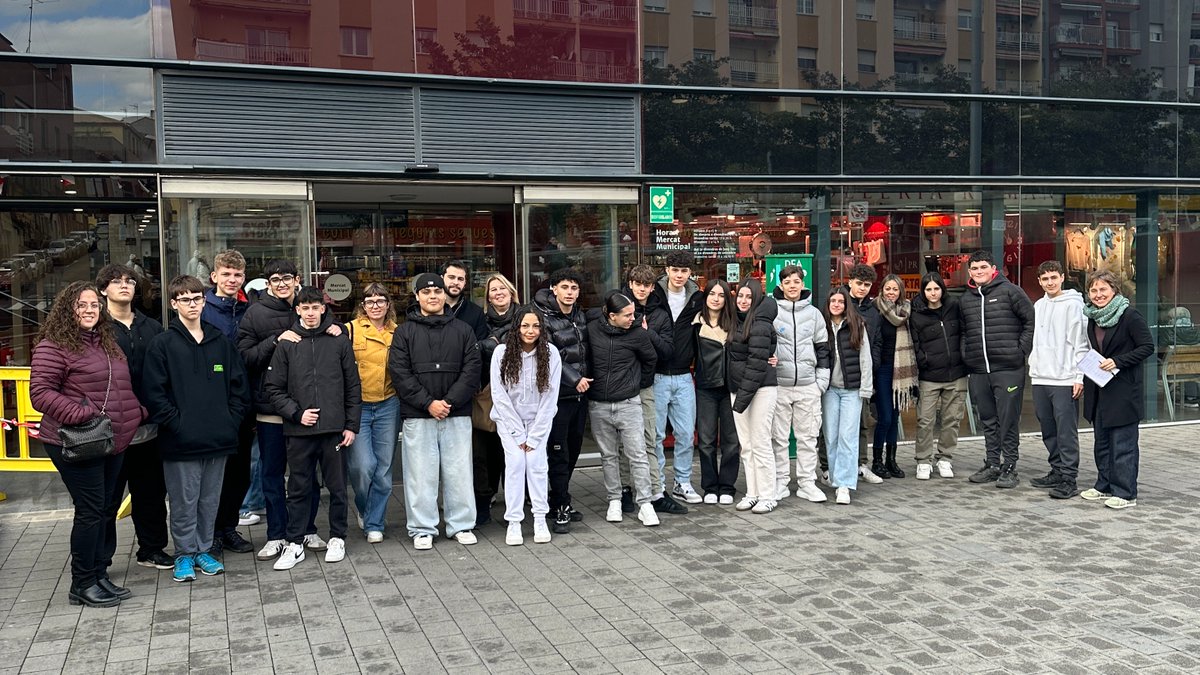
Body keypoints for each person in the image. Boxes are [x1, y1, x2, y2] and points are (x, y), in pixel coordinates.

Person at [30, 281, 144, 607]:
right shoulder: (53, 346)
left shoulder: (106, 342)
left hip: (110, 439)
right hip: (76, 440)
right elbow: (40, 393)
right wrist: (81, 414)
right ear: (67, 309)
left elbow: (120, 387)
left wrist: (137, 412)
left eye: (94, 305)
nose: (90, 310)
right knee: (91, 511)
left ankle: (98, 574)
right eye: (81, 305)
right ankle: (82, 583)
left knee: (105, 509)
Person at [142, 275, 250, 582]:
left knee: (209, 500)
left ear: (204, 301)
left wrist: (230, 421)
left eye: (197, 298)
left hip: (218, 439)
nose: (192, 304)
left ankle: (204, 550)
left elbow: (239, 387)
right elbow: (154, 394)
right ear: (173, 304)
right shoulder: (162, 344)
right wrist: (177, 424)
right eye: (185, 299)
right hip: (181, 441)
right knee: (184, 502)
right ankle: (184, 554)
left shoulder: (220, 342)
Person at [265, 286, 362, 569]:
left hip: (334, 430)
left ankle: (337, 537)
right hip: (300, 431)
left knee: (337, 489)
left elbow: (352, 386)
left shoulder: (338, 340)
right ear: (297, 310)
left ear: (323, 308)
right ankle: (295, 543)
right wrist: (297, 414)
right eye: (304, 308)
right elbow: (273, 388)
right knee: (298, 488)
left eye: (315, 307)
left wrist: (351, 425)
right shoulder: (288, 343)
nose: (310, 313)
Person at [238, 260, 326, 561]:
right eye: (275, 279)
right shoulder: (255, 313)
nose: (281, 283)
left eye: (286, 278)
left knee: (307, 474)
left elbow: (330, 333)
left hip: (307, 409)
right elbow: (245, 357)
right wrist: (276, 340)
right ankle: (276, 534)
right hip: (270, 410)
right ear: (268, 284)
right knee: (272, 474)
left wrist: (336, 329)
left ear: (297, 279)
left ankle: (308, 529)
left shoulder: (308, 304)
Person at [389, 273, 482, 550]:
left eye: (438, 292)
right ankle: (422, 528)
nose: (433, 296)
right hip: (418, 414)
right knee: (420, 475)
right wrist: (428, 403)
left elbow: (472, 369)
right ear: (417, 296)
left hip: (456, 412)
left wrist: (449, 401)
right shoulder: (404, 332)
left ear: (445, 295)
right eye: (427, 292)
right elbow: (400, 373)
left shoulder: (463, 330)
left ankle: (461, 525)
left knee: (459, 472)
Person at [96, 264, 171, 571]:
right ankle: (100, 561)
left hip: (149, 427)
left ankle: (151, 549)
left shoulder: (152, 327)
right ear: (103, 289)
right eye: (116, 281)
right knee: (107, 499)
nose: (124, 285)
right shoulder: (95, 328)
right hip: (110, 429)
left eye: (129, 281)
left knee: (151, 494)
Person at [960, 250, 1035, 489]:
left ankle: (1010, 466)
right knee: (988, 419)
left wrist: (1019, 351)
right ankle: (992, 463)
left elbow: (1030, 321)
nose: (979, 271)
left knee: (1008, 419)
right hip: (979, 370)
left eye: (983, 267)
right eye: (974, 268)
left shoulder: (1011, 291)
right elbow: (964, 331)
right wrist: (967, 355)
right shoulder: (967, 299)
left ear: (994, 269)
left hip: (1008, 368)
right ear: (969, 271)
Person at [1080, 271, 1154, 509]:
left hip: (1123, 390)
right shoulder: (1093, 317)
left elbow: (1147, 346)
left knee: (1123, 444)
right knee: (1101, 442)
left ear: (1114, 290)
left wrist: (1118, 361)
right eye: (1093, 290)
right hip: (1100, 389)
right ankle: (1104, 486)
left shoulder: (1129, 315)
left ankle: (1125, 493)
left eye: (1103, 289)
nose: (1098, 295)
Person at [586, 292, 661, 527]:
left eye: (633, 313)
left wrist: (636, 384)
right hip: (598, 404)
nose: (633, 318)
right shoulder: (591, 330)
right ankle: (614, 500)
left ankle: (645, 503)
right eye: (627, 315)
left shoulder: (638, 334)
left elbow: (650, 360)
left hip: (629, 403)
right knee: (608, 456)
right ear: (612, 316)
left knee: (638, 454)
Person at [200, 249, 257, 555]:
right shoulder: (201, 308)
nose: (232, 279)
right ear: (214, 276)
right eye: (226, 274)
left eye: (237, 275)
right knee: (212, 474)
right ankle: (209, 533)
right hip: (211, 404)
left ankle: (228, 528)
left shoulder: (250, 310)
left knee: (239, 472)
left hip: (243, 403)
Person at [490, 305, 561, 545]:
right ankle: (514, 522)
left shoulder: (551, 354)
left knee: (537, 465)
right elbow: (499, 395)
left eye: (536, 326)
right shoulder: (501, 353)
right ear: (516, 328)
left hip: (538, 422)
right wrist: (517, 433)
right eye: (525, 326)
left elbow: (550, 398)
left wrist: (535, 435)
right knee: (516, 464)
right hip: (509, 422)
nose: (530, 331)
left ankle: (540, 518)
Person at [621, 265, 685, 515]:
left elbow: (668, 351)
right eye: (637, 284)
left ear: (652, 287)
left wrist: (647, 333)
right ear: (630, 284)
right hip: (621, 383)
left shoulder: (660, 312)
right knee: (622, 442)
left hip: (648, 382)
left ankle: (656, 492)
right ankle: (625, 490)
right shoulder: (618, 305)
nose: (641, 289)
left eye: (646, 285)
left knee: (650, 438)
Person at [533, 268, 591, 534]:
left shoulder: (580, 315)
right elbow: (546, 354)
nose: (569, 292)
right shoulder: (542, 317)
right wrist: (573, 379)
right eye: (565, 287)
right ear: (554, 289)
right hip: (557, 396)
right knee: (558, 452)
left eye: (574, 288)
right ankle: (560, 507)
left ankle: (558, 497)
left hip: (580, 396)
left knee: (573, 450)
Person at [1028, 261, 1090, 499]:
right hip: (1040, 377)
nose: (1050, 282)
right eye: (1045, 279)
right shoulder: (1039, 305)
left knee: (1066, 431)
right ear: (1039, 281)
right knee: (1048, 428)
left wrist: (1079, 377)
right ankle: (1056, 469)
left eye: (1054, 277)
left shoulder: (1074, 305)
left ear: (1062, 278)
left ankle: (1069, 478)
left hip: (1064, 378)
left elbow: (1081, 344)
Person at [771, 265, 831, 503]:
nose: (792, 286)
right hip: (779, 385)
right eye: (787, 282)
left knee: (808, 437)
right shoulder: (772, 311)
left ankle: (807, 482)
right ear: (781, 285)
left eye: (796, 281)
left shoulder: (814, 314)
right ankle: (780, 481)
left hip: (808, 385)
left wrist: (821, 381)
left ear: (802, 284)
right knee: (779, 437)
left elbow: (823, 348)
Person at [344, 283, 398, 543]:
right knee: (362, 466)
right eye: (370, 301)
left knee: (383, 469)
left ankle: (374, 522)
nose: (375, 306)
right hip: (359, 406)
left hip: (388, 403)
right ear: (363, 306)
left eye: (380, 301)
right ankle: (365, 507)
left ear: (388, 304)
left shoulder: (398, 332)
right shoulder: (349, 330)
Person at [650, 251, 705, 505]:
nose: (679, 275)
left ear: (690, 272)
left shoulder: (697, 298)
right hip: (657, 375)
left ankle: (682, 482)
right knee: (656, 435)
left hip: (684, 375)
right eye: (675, 270)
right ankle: (658, 484)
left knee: (685, 433)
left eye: (684, 271)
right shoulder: (653, 294)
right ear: (667, 270)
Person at [727, 279, 779, 514]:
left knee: (760, 442)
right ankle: (753, 493)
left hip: (760, 389)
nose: (743, 301)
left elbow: (757, 364)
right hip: (739, 389)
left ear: (757, 298)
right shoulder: (734, 320)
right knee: (746, 445)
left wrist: (741, 399)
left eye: (749, 297)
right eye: (740, 296)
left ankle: (768, 495)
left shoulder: (760, 323)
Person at [909, 273, 967, 480]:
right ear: (923, 291)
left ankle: (945, 458)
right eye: (928, 289)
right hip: (929, 376)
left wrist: (964, 356)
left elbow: (965, 333)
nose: (933, 293)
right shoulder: (916, 314)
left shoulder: (955, 307)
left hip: (956, 374)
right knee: (925, 420)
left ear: (942, 289)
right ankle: (923, 460)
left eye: (936, 288)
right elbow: (915, 343)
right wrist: (924, 361)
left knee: (952, 419)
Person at [474, 273, 520, 527]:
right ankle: (487, 495)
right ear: (488, 297)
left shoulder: (525, 317)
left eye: (503, 288)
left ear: (511, 293)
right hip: (487, 391)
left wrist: (493, 344)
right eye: (493, 290)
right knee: (486, 448)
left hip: (519, 392)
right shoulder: (480, 321)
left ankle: (517, 498)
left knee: (514, 448)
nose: (498, 293)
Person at [822, 287, 874, 506]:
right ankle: (836, 478)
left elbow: (865, 358)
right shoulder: (822, 325)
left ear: (846, 305)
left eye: (840, 301)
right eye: (833, 301)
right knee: (831, 436)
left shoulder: (857, 325)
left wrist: (866, 388)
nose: (836, 304)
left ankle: (844, 485)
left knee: (848, 436)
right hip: (829, 390)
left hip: (852, 389)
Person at [693, 279, 740, 504]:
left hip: (730, 388)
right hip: (706, 388)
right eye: (712, 294)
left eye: (721, 295)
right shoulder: (695, 323)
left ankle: (728, 487)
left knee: (731, 441)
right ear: (706, 296)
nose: (716, 299)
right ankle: (710, 487)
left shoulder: (735, 322)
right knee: (706, 440)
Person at [838, 263, 885, 484]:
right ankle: (829, 467)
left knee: (863, 422)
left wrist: (873, 365)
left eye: (867, 285)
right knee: (834, 424)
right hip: (840, 374)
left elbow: (877, 342)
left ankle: (860, 465)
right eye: (859, 283)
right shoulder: (839, 304)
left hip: (864, 375)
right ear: (850, 282)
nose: (862, 288)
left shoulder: (873, 312)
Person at [872, 274, 917, 479]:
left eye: (895, 289)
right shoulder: (876, 309)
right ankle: (877, 461)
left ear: (901, 292)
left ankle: (891, 460)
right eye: (888, 288)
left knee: (895, 416)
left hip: (901, 372)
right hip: (882, 369)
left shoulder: (906, 310)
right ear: (882, 289)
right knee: (885, 418)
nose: (891, 292)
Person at [442, 259, 489, 340]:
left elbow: (480, 344)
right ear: (442, 278)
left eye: (460, 279)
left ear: (465, 283)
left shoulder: (476, 313)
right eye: (451, 277)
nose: (456, 282)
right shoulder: (431, 307)